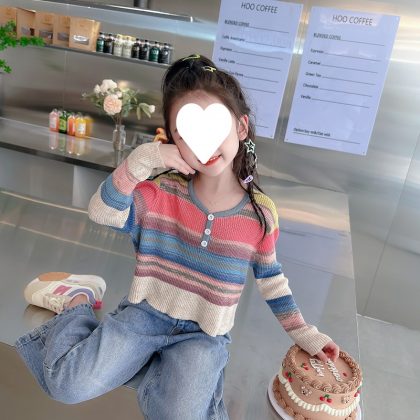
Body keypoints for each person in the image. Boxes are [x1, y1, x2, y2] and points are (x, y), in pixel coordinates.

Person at [15, 54, 339, 420]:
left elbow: (271, 281)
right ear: (172, 143)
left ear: (241, 127)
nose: (205, 145)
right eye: (187, 136)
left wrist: (305, 334)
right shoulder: (161, 193)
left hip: (203, 336)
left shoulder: (260, 214)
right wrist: (144, 158)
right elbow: (102, 212)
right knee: (68, 384)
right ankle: (78, 299)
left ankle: (162, 368)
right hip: (144, 316)